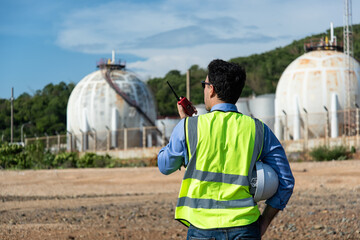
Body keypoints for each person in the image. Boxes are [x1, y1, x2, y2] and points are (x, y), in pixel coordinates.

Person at [158, 59, 294, 240]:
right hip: (245, 227)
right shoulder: (259, 130)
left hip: (201, 228)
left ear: (211, 89)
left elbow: (165, 165)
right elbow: (286, 181)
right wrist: (263, 223)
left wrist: (183, 125)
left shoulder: (189, 127)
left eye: (204, 85)